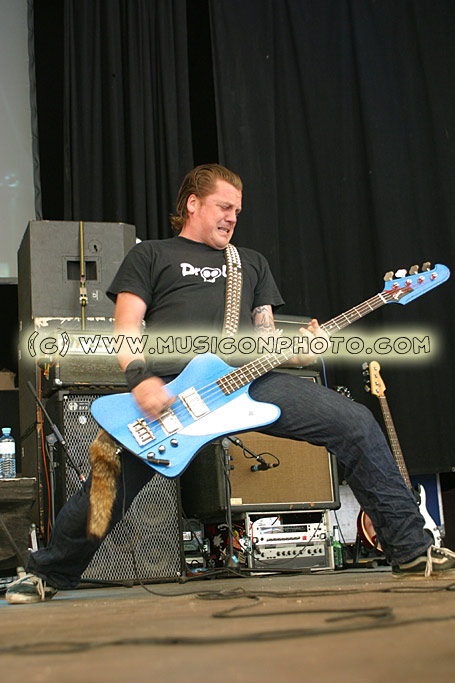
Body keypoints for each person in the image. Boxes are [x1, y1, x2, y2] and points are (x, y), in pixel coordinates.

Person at [6, 164, 455, 603]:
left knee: (355, 423)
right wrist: (141, 382)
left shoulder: (250, 263)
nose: (232, 217)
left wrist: (304, 350)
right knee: (107, 479)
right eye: (224, 207)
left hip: (249, 382)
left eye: (237, 211)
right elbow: (126, 327)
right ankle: (47, 573)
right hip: (173, 391)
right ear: (193, 204)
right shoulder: (151, 255)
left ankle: (411, 550)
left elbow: (269, 341)